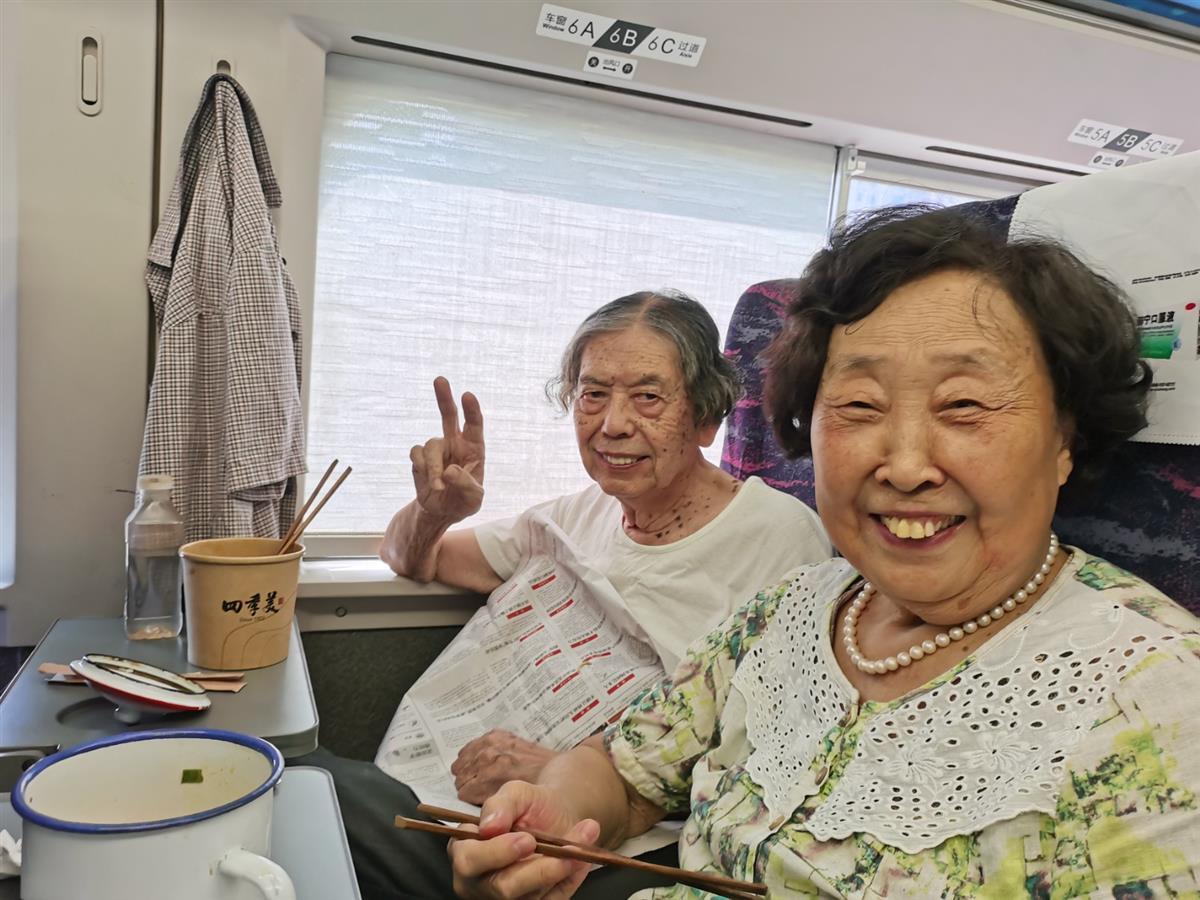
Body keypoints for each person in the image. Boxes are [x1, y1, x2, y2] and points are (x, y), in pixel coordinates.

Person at [446, 206, 1200, 899]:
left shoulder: (1158, 700)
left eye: (964, 405)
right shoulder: (795, 606)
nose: (905, 465)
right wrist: (559, 816)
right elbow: (626, 770)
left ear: (1065, 439)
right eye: (859, 406)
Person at [307, 289, 831, 900]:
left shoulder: (779, 536)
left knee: (313, 802)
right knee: (301, 781)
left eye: (648, 397)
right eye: (593, 394)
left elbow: (787, 751)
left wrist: (567, 771)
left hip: (617, 844)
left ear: (707, 417)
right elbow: (409, 557)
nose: (613, 424)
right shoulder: (580, 515)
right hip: (459, 794)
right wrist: (436, 513)